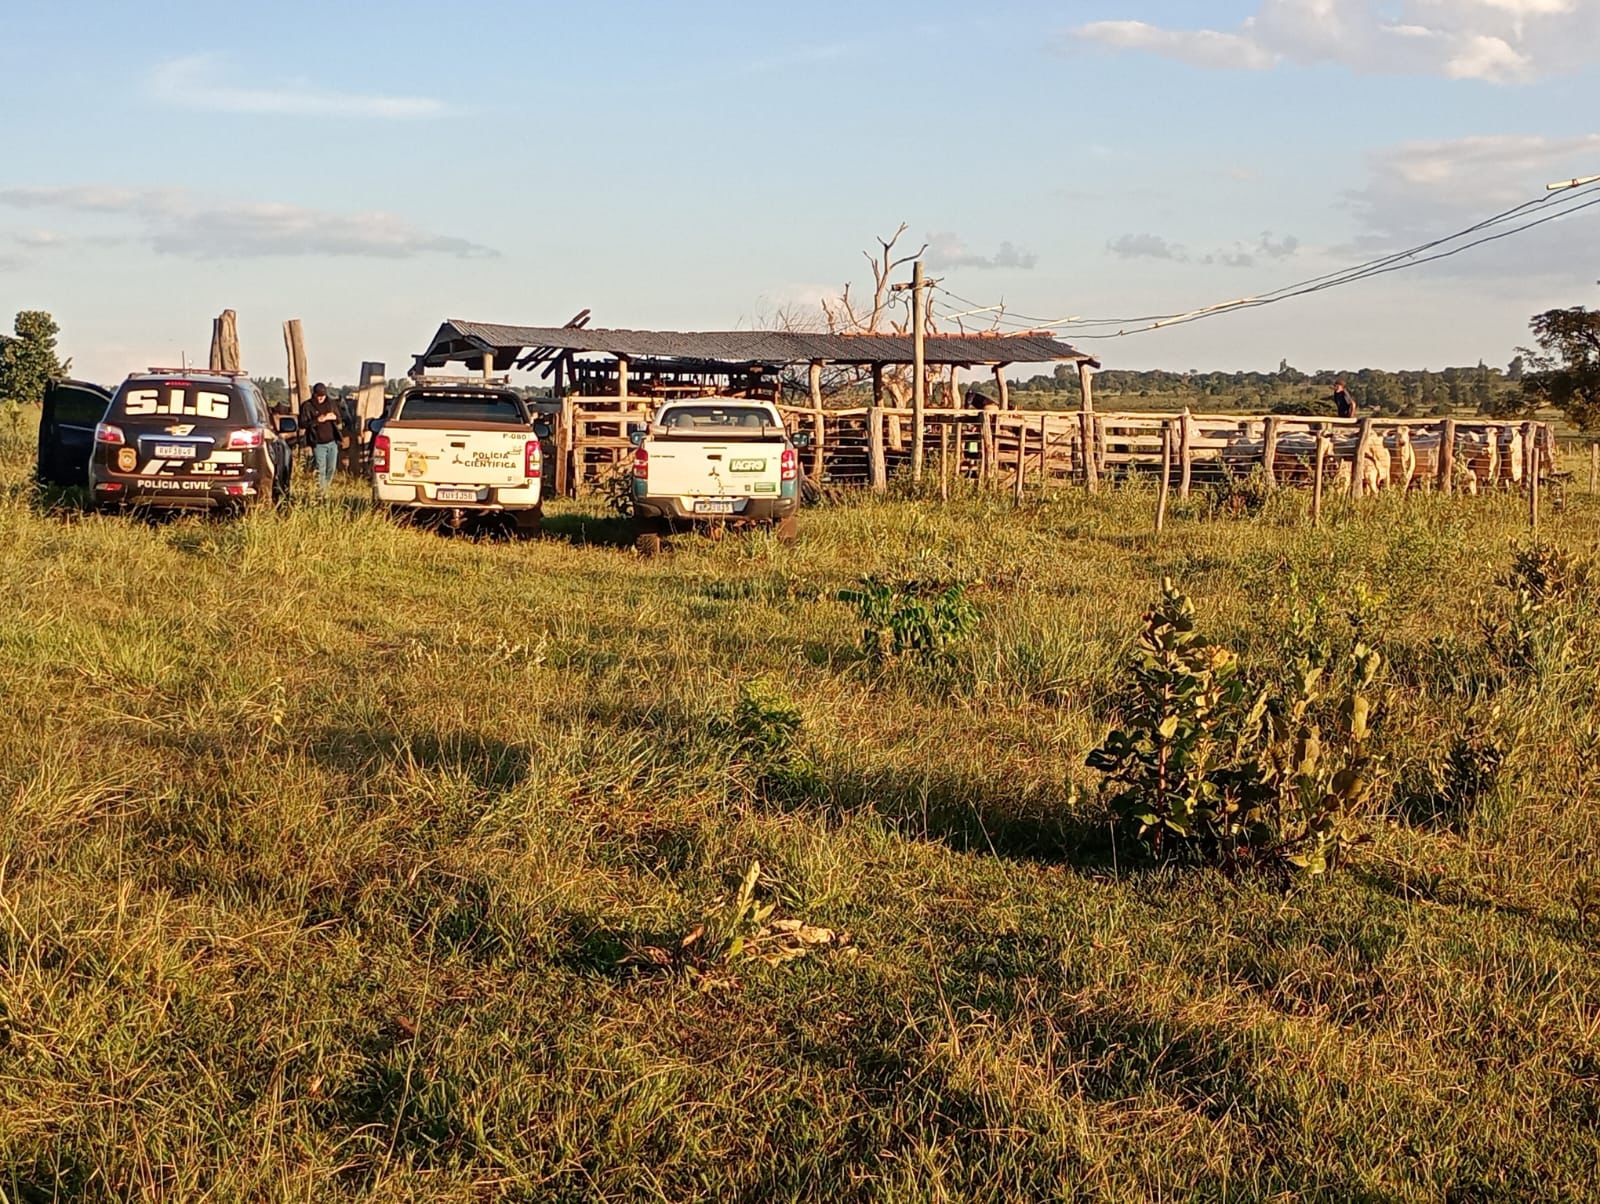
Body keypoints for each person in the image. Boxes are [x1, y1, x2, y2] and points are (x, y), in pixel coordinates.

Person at [299, 382, 345, 494]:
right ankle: (322, 492)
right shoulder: (307, 406)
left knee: (332, 468)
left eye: (322, 396)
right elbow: (302, 423)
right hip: (318, 443)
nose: (320, 398)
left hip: (332, 441)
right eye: (318, 396)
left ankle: (326, 487)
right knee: (321, 468)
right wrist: (317, 421)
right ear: (314, 394)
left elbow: (339, 419)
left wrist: (334, 417)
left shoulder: (331, 403)